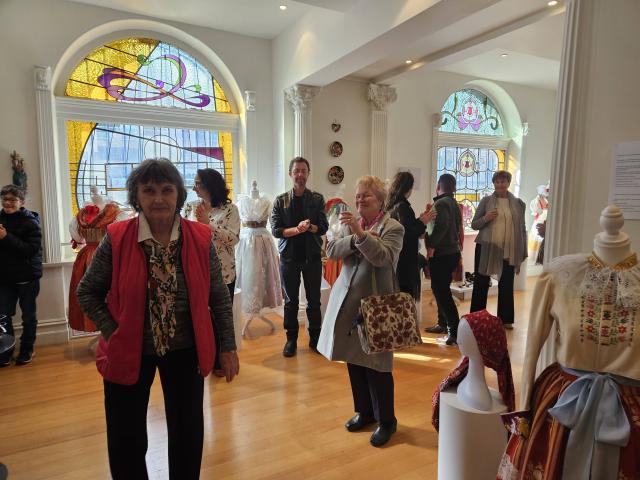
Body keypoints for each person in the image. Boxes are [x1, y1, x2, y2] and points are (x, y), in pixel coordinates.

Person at [76, 159, 239, 480]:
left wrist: (228, 347)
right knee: (127, 438)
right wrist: (114, 330)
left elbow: (218, 297)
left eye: (167, 190)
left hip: (186, 350)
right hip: (129, 350)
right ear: (136, 196)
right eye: (148, 191)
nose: (159, 198)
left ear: (179, 195)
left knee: (187, 433)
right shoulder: (118, 236)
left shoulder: (200, 237)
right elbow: (88, 292)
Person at [317, 175, 404, 448]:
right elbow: (331, 250)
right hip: (347, 302)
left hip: (376, 307)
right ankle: (365, 413)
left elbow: (383, 258)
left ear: (380, 200)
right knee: (353, 360)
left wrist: (359, 234)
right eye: (358, 195)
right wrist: (357, 239)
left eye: (366, 195)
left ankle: (387, 420)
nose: (359, 199)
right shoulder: (349, 224)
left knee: (378, 366)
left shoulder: (394, 227)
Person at [184, 168, 240, 377]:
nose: (194, 187)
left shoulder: (230, 210)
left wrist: (208, 225)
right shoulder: (190, 207)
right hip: (195, 270)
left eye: (198, 183)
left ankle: (220, 361)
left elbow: (233, 239)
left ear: (210, 185)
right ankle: (200, 358)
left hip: (223, 271)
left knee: (220, 317)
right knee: (198, 317)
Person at [271, 157, 328, 357]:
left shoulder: (317, 199)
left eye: (304, 171)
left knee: (314, 301)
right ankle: (291, 340)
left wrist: (310, 227)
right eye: (297, 171)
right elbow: (276, 230)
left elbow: (323, 227)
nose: (300, 175)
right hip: (289, 259)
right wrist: (297, 229)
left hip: (312, 257)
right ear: (290, 174)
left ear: (308, 173)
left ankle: (315, 339)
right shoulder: (280, 200)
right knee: (290, 302)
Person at [470, 170, 527, 328]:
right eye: (497, 182)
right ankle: (477, 318)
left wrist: (523, 252)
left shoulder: (519, 204)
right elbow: (474, 224)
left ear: (508, 183)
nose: (500, 184)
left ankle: (505, 319)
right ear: (494, 184)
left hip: (509, 249)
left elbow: (522, 229)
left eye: (503, 181)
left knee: (506, 284)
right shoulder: (486, 201)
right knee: (481, 283)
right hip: (487, 248)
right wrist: (486, 218)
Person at [0, 185, 42, 367]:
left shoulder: (31, 221)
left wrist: (6, 236)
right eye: (5, 199)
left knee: (28, 317)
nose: (8, 203)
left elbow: (30, 250)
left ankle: (27, 349)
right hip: (4, 277)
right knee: (2, 316)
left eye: (12, 200)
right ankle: (5, 351)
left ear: (22, 202)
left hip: (27, 277)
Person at [423, 174, 462, 345]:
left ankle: (454, 331)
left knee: (442, 292)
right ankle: (442, 323)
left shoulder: (441, 203)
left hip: (443, 253)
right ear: (453, 188)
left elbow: (442, 226)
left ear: (438, 186)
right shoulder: (453, 203)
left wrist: (430, 244)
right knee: (440, 289)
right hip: (451, 253)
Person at [385, 171, 436, 300]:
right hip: (405, 259)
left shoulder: (393, 204)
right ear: (408, 188)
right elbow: (407, 232)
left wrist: (420, 220)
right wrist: (423, 221)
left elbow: (407, 226)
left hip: (399, 257)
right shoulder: (402, 206)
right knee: (405, 297)